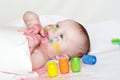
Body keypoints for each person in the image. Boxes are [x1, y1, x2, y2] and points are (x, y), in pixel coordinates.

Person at [22, 11, 90, 70]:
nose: (53, 31)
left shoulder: (41, 56)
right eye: (57, 26)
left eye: (61, 36)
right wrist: (33, 23)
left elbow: (23, 64)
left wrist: (30, 47)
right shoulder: (37, 29)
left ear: (61, 56)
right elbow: (28, 14)